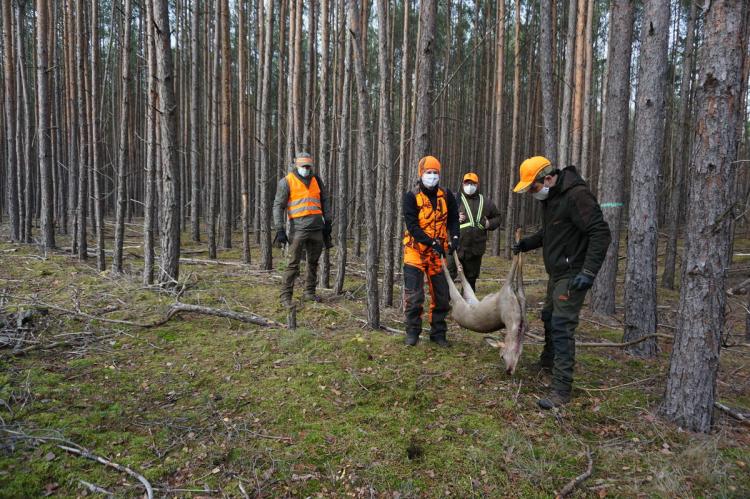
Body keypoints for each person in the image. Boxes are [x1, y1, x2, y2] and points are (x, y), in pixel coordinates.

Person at [511, 156, 610, 409]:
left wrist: (588, 272)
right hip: (556, 273)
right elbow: (551, 233)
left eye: (533, 188)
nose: (533, 194)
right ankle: (547, 362)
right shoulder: (552, 200)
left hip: (573, 272)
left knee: (562, 325)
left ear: (548, 178)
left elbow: (600, 232)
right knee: (548, 316)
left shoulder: (576, 195)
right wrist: (527, 244)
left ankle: (561, 389)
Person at [402, 155, 460, 347]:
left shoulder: (447, 195)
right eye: (429, 172)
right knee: (415, 296)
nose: (432, 176)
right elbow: (412, 226)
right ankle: (412, 332)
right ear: (421, 174)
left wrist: (455, 237)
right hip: (415, 252)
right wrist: (430, 242)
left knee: (442, 296)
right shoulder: (411, 196)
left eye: (435, 173)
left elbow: (452, 219)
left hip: (438, 254)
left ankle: (438, 333)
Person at [273, 152, 332, 307]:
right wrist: (279, 229)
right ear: (296, 165)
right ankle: (285, 297)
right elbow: (278, 206)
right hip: (298, 229)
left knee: (313, 262)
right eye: (303, 166)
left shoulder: (316, 180)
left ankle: (309, 293)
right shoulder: (286, 181)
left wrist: (328, 222)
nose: (306, 168)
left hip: (317, 228)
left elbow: (325, 200)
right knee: (293, 264)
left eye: (308, 166)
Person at [447, 172, 502, 292]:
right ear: (463, 184)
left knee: (470, 279)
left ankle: (467, 307)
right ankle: (444, 306)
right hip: (454, 246)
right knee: (448, 276)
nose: (470, 185)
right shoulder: (454, 199)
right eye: (467, 183)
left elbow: (498, 217)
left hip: (475, 248)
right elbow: (441, 215)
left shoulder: (486, 202)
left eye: (473, 183)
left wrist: (489, 224)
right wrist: (453, 217)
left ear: (477, 185)